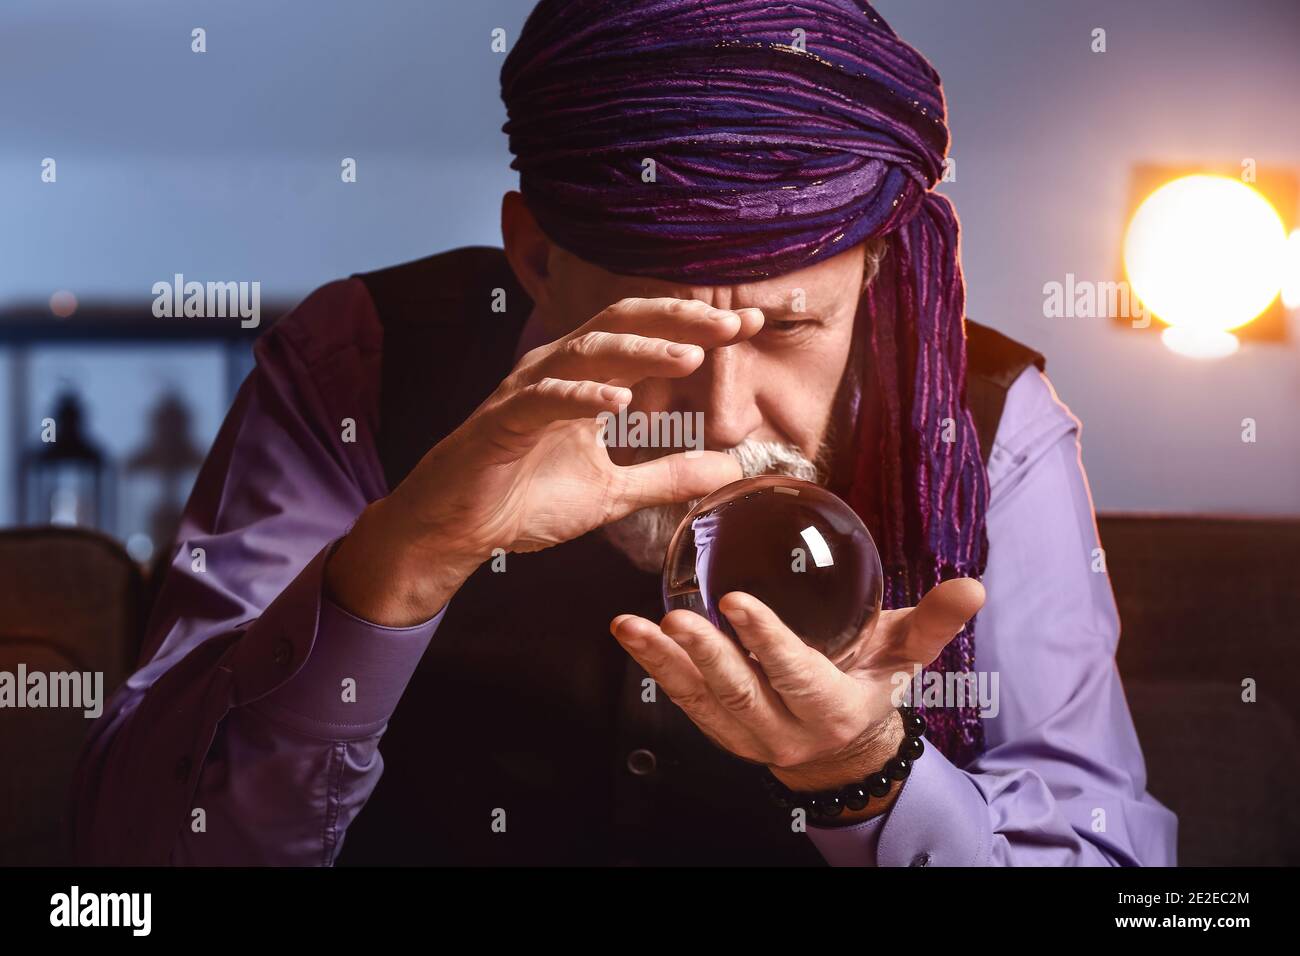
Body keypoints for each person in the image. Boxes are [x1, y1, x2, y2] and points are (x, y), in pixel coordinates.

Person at [71, 0, 1176, 866]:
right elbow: (130, 865)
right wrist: (393, 567)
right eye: (654, 329)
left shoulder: (995, 425)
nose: (726, 413)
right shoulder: (355, 362)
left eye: (789, 327)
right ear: (535, 254)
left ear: (877, 264)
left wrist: (866, 771)